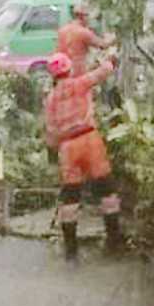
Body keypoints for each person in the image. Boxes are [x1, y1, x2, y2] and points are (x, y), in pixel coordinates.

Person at [43, 51, 123, 262]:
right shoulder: (79, 84)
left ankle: (71, 250)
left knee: (70, 195)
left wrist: (53, 153)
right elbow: (103, 72)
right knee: (106, 189)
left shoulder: (50, 99)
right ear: (68, 69)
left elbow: (50, 133)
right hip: (89, 139)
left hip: (67, 146)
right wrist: (109, 60)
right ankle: (114, 241)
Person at [55, 3, 115, 76]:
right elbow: (103, 45)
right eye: (89, 16)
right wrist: (112, 36)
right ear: (83, 16)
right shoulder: (83, 32)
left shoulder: (63, 30)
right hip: (77, 70)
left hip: (62, 69)